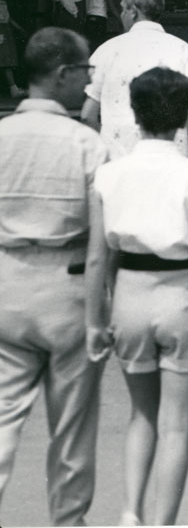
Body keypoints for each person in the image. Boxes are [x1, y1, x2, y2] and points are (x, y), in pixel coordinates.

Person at [86, 66, 188, 527]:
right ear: (183, 114)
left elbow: (98, 259)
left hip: (129, 297)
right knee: (176, 427)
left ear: (134, 112)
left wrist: (96, 319)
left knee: (141, 416)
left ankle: (130, 511)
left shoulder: (108, 176)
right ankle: (161, 521)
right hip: (182, 297)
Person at [0, 28, 109, 528]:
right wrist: (98, 314)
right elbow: (103, 238)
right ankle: (68, 521)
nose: (88, 82)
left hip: (6, 283)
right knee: (71, 429)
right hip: (67, 286)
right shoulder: (88, 145)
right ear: (64, 73)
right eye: (85, 72)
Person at [81, 0, 188, 158]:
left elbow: (88, 115)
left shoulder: (106, 50)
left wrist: (103, 153)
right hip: (170, 159)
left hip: (118, 158)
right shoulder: (181, 49)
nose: (121, 15)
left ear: (133, 12)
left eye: (123, 10)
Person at [0, 0, 25, 99]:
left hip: (5, 30)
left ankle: (13, 88)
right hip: (1, 31)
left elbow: (7, 17)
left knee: (6, 59)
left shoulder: (3, 0)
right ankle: (13, 88)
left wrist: (18, 27)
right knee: (4, 58)